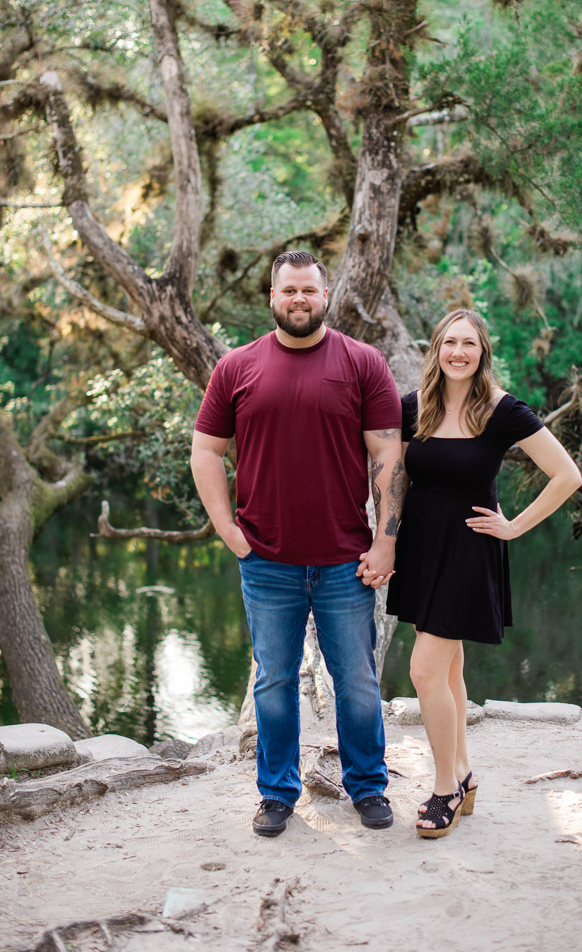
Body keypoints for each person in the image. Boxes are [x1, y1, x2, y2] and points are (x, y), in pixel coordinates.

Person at [190, 251, 404, 838]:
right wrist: (226, 528)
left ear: (325, 294)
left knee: (355, 680)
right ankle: (277, 794)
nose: (300, 300)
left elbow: (388, 455)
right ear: (272, 296)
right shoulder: (236, 367)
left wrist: (385, 543)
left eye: (309, 290)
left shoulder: (364, 363)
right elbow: (206, 451)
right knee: (274, 680)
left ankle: (367, 787)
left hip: (345, 559)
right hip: (266, 561)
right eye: (289, 291)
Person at [380, 308, 582, 838]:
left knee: (425, 671)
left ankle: (445, 786)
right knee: (447, 670)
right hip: (423, 550)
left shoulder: (502, 411)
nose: (459, 353)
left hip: (469, 551)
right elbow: (396, 478)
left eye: (469, 344)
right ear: (437, 350)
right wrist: (389, 540)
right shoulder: (413, 407)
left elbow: (567, 475)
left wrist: (515, 526)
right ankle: (464, 778)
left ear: (482, 352)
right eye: (450, 343)